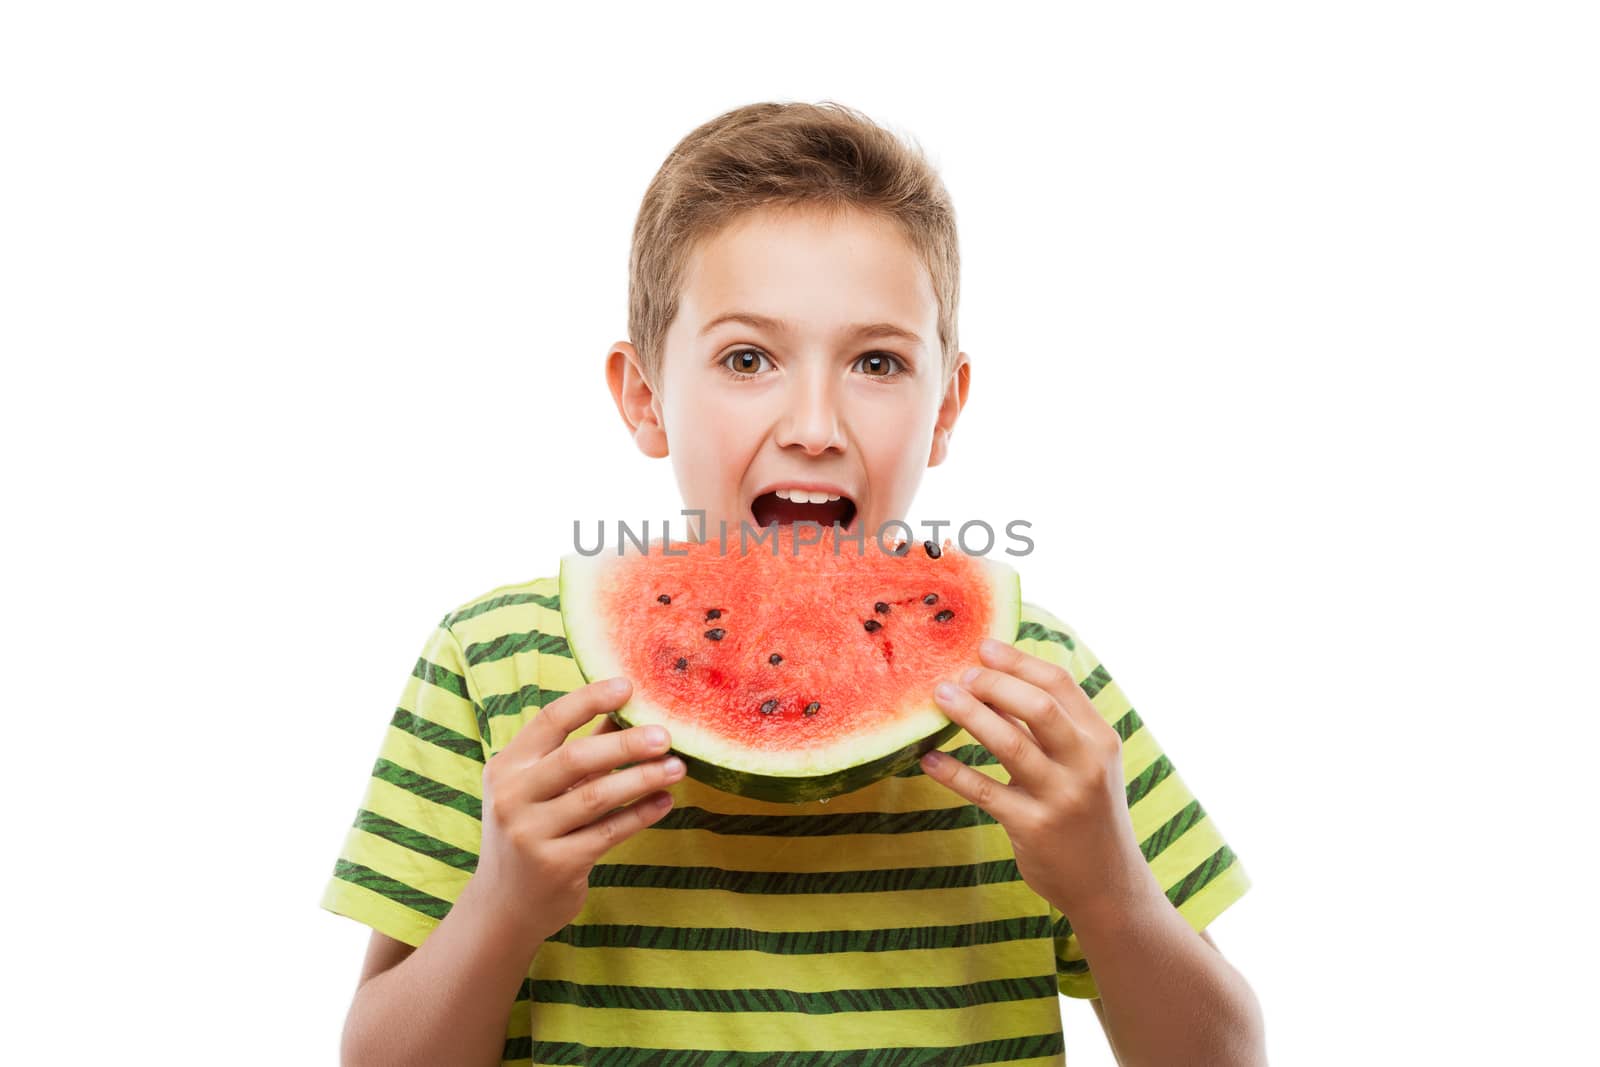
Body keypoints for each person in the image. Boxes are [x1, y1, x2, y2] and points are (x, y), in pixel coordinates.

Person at [320, 100, 1266, 1066]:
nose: (814, 421)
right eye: (747, 358)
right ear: (644, 396)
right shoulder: (496, 666)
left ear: (946, 406)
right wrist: (503, 905)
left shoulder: (1030, 694)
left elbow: (1229, 1054)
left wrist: (1111, 891)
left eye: (876, 361)